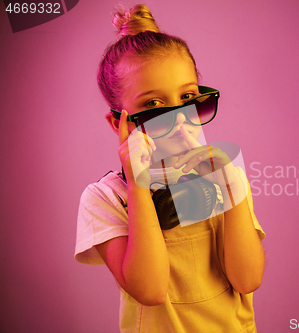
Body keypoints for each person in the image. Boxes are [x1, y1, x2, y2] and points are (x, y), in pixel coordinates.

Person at [74, 4, 266, 332]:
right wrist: (138, 187)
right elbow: (150, 289)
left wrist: (234, 191)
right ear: (118, 122)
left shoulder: (225, 175)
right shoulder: (106, 199)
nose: (180, 120)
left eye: (188, 97)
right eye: (153, 105)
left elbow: (247, 279)